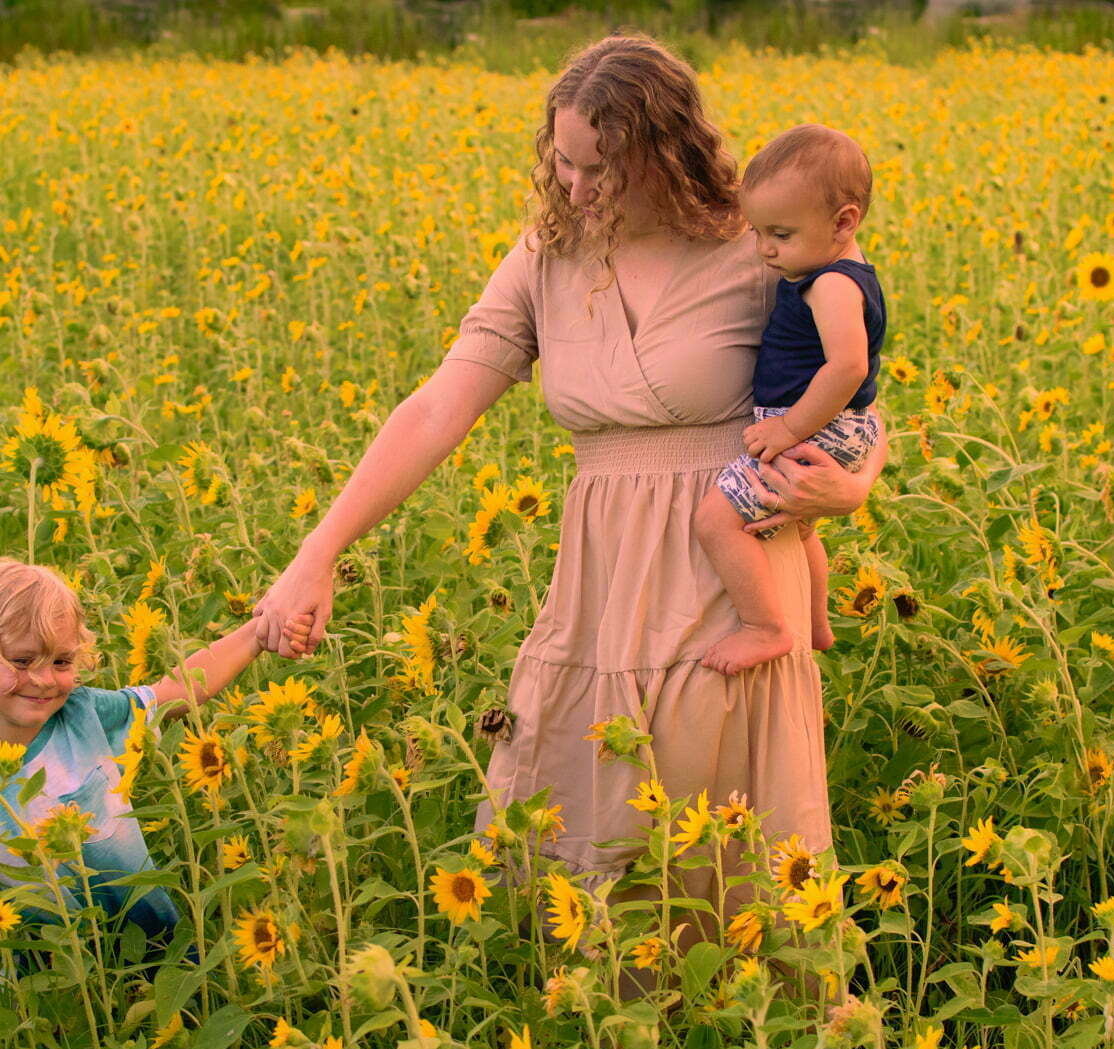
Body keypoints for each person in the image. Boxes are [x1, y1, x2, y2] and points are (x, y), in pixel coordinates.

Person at [252, 35, 887, 882]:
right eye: (565, 164)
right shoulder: (547, 257)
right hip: (598, 581)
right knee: (577, 839)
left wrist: (853, 486)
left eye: (603, 168)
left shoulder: (761, 244)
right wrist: (316, 554)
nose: (577, 189)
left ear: (665, 153)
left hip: (727, 567)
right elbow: (438, 408)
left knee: (714, 847)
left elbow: (851, 382)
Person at [0, 556, 310, 978]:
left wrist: (255, 635)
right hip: (48, 982)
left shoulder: (88, 716)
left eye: (62, 662)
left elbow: (179, 689)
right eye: (23, 661)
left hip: (153, 952)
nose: (44, 680)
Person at [698, 123, 886, 674]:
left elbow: (849, 366)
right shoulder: (836, 270)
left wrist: (787, 430)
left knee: (715, 522)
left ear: (844, 222)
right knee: (800, 528)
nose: (764, 250)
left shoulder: (831, 284)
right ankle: (816, 621)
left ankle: (767, 627)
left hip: (816, 426)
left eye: (779, 234)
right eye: (758, 233)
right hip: (835, 426)